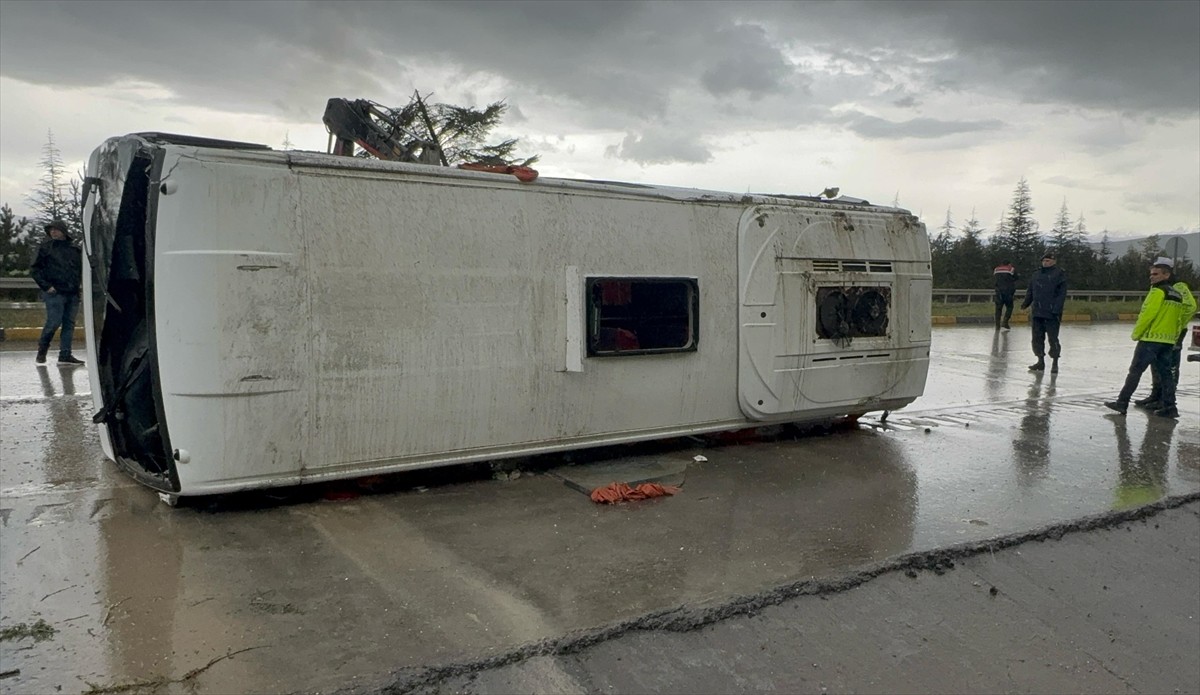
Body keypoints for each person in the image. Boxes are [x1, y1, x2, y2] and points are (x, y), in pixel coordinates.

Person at [1105, 260, 1189, 418]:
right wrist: (1175, 336)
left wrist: (1137, 333)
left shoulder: (1157, 291)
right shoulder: (1177, 294)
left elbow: (1147, 315)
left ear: (1166, 275)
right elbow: (1179, 318)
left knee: (1135, 371)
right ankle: (1170, 406)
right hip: (1168, 341)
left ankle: (1122, 402)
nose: (1152, 277)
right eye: (1151, 274)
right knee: (1166, 375)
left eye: (1156, 274)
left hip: (1151, 339)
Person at [1132, 257, 1195, 411]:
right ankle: (1156, 394)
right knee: (1157, 365)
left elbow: (1191, 307)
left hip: (1175, 332)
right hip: (1160, 333)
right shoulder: (1161, 286)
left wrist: (1177, 324)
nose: (1153, 274)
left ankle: (1166, 399)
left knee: (1170, 367)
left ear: (1167, 272)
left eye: (1157, 270)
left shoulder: (1179, 286)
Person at [29, 218, 84, 366]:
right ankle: (42, 350)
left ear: (64, 231)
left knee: (69, 324)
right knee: (53, 322)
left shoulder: (75, 249)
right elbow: (35, 269)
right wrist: (46, 286)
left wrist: (79, 287)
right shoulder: (45, 248)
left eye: (56, 229)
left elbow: (81, 269)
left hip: (72, 292)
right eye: (51, 230)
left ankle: (65, 354)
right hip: (54, 292)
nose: (53, 232)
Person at [1021, 251, 1067, 372]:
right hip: (1037, 312)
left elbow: (1061, 294)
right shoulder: (1036, 274)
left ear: (1054, 261)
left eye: (1048, 261)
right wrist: (1026, 303)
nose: (1045, 263)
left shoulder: (1059, 274)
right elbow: (1030, 290)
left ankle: (1055, 361)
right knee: (1037, 338)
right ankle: (1040, 360)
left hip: (1052, 313)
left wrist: (1056, 309)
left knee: (1053, 338)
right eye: (1044, 261)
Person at [992, 259, 1018, 330]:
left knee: (998, 309)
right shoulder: (1011, 269)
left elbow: (995, 279)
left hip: (998, 292)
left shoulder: (996, 269)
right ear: (1009, 264)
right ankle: (1005, 322)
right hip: (1008, 292)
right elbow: (1016, 278)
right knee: (1010, 307)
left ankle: (997, 325)